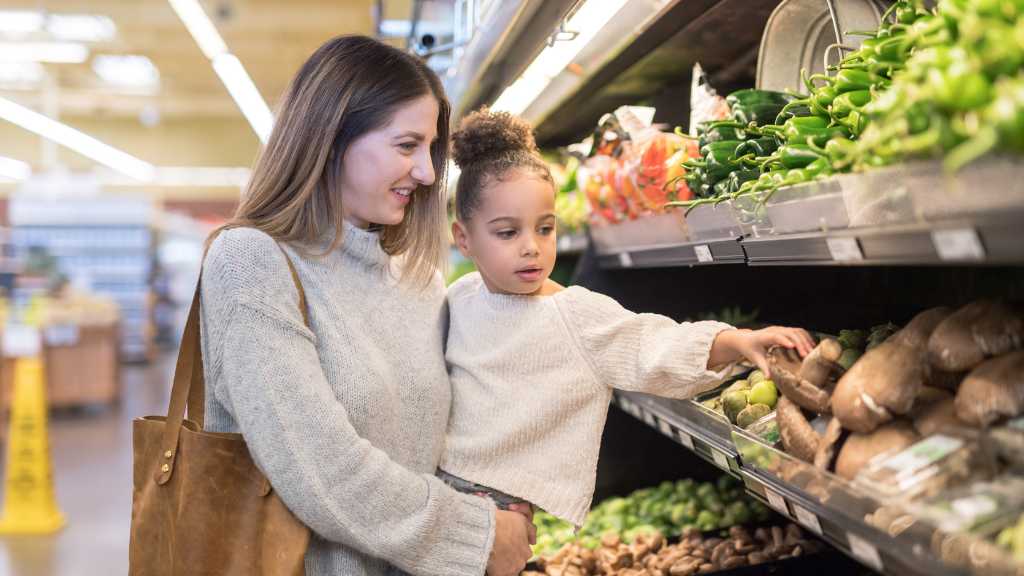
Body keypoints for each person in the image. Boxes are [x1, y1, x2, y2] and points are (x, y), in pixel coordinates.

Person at [199, 36, 533, 576]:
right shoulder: (251, 263)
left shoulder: (419, 281)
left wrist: (498, 497)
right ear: (331, 138)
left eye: (429, 149)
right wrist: (478, 535)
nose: (427, 173)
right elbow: (322, 470)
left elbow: (433, 450)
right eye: (407, 146)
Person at [440, 108, 815, 526]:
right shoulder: (458, 299)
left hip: (502, 511)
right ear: (463, 239)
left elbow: (650, 344)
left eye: (544, 229)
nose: (531, 246)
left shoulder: (573, 314)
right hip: (444, 496)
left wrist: (738, 341)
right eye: (508, 232)